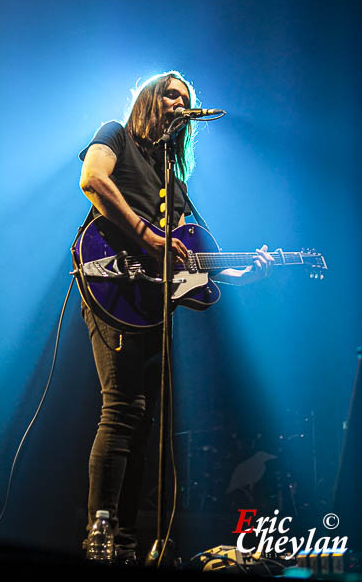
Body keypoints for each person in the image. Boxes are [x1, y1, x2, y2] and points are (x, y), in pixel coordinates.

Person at [78, 71, 273, 563]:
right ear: (149, 99)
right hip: (113, 277)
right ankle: (99, 537)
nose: (178, 103)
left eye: (185, 99)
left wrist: (249, 271)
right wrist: (147, 236)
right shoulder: (113, 134)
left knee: (143, 420)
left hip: (152, 301)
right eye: (170, 94)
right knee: (121, 408)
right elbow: (93, 180)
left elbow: (196, 262)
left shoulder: (174, 181)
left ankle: (124, 542)